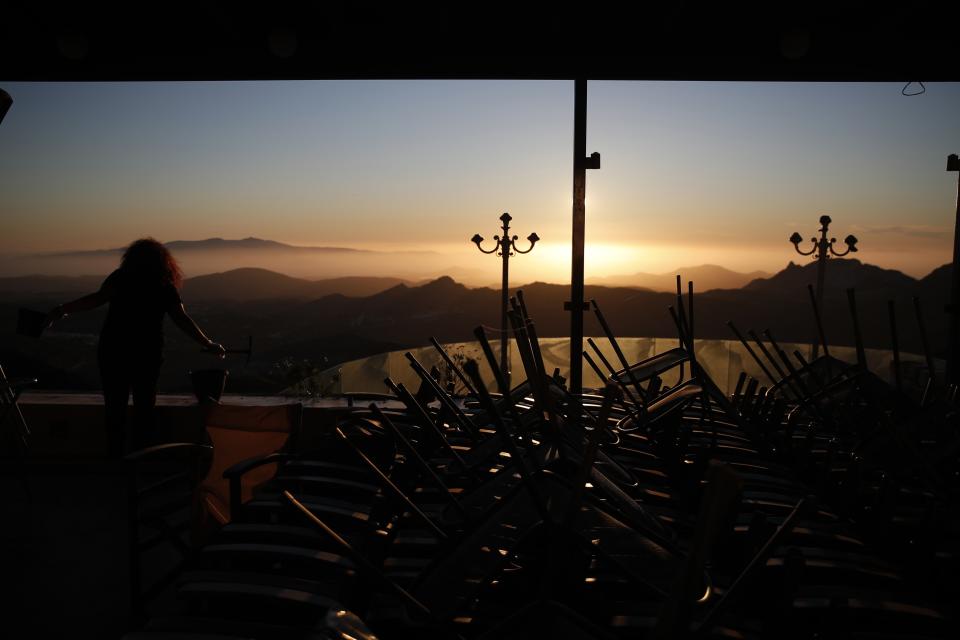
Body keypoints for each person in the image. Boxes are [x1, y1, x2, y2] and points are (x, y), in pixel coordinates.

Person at [45, 238, 225, 458]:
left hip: (113, 351)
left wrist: (62, 310)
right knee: (144, 408)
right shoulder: (163, 286)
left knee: (114, 407)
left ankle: (116, 458)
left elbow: (95, 300)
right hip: (147, 354)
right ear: (163, 262)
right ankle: (140, 460)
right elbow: (182, 319)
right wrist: (208, 343)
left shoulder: (120, 279)